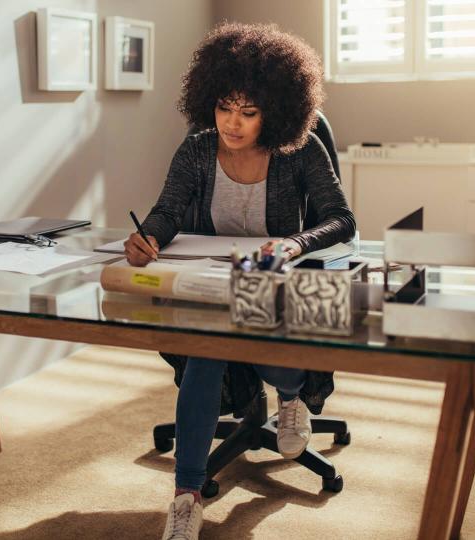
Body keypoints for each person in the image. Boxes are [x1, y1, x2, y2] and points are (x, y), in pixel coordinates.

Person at [122, 22, 356, 540]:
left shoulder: (301, 150)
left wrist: (296, 242)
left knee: (275, 357)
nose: (232, 122)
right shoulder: (199, 150)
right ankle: (186, 497)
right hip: (214, 282)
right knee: (207, 352)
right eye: (225, 107)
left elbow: (342, 219)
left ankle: (291, 401)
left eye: (248, 112)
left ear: (276, 110)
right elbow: (166, 211)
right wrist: (149, 240)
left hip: (273, 281)